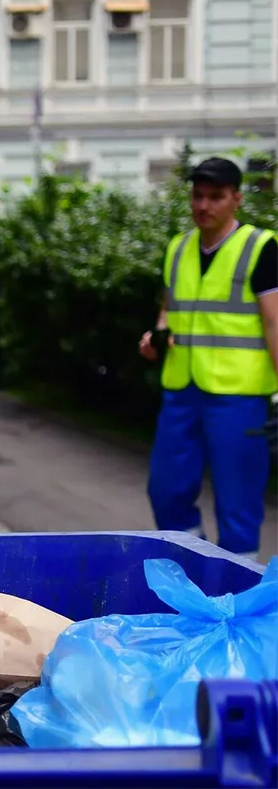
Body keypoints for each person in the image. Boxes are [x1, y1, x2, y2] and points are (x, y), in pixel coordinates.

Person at [139, 157, 278, 561]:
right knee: (165, 491)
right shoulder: (178, 248)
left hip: (239, 396)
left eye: (215, 197)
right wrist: (156, 334)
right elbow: (170, 310)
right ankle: (199, 565)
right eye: (198, 196)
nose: (203, 206)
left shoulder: (261, 248)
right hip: (182, 391)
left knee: (237, 505)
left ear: (236, 199)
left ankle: (237, 589)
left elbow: (275, 323)